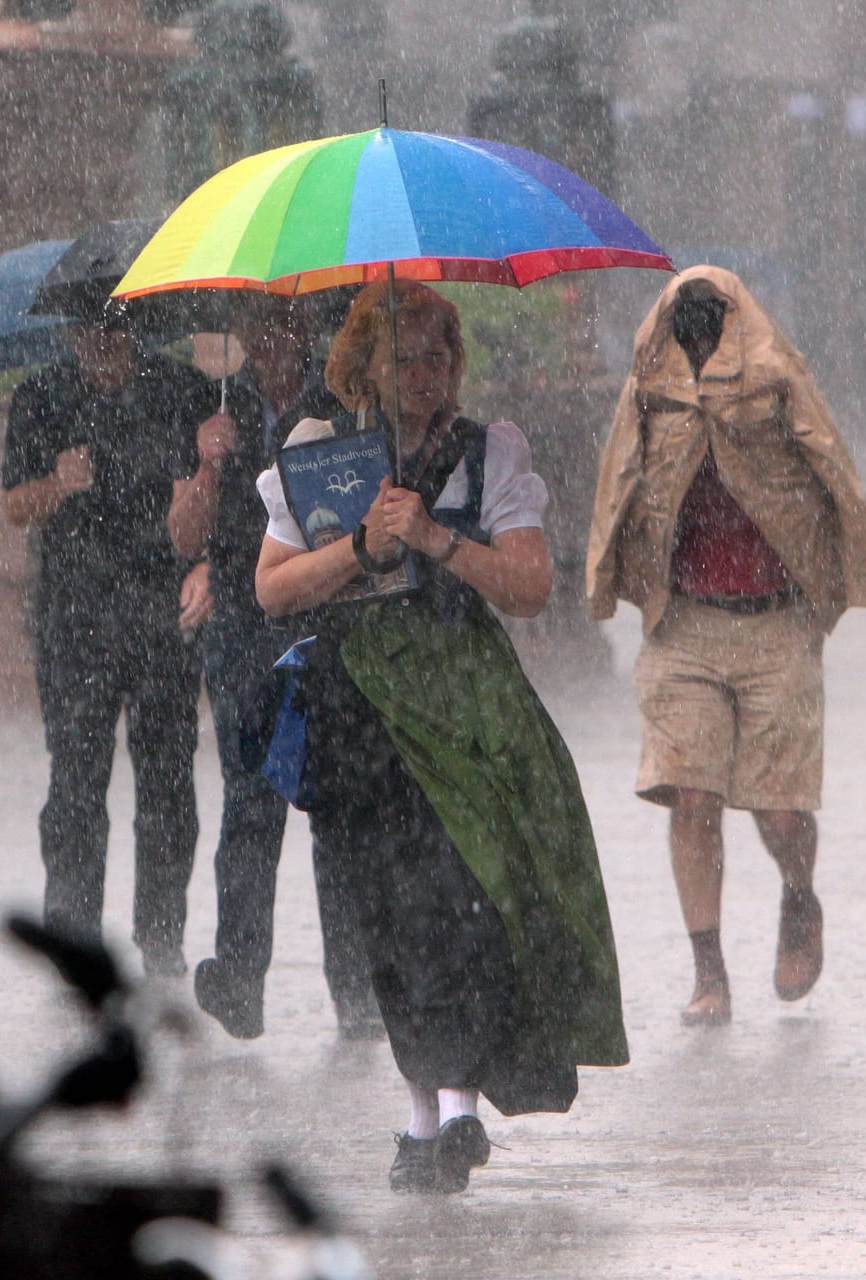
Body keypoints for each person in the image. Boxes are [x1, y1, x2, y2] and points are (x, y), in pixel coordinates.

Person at [253, 279, 628, 1194]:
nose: (425, 375)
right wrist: (363, 551)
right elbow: (272, 590)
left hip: (465, 710)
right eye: (404, 357)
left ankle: (457, 1104)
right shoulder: (317, 456)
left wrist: (429, 536)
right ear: (364, 367)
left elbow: (532, 584)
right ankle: (425, 1112)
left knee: (463, 894)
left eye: (438, 357)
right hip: (358, 714)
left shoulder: (488, 451)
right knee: (383, 909)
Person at [587, 266, 866, 1027]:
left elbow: (834, 472)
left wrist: (846, 579)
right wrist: (604, 582)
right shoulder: (650, 391)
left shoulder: (778, 380)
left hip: (777, 623)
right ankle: (709, 970)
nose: (697, 338)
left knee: (780, 811)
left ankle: (798, 898)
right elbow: (618, 477)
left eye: (711, 321)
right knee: (691, 795)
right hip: (683, 624)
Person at [166, 292, 381, 1041]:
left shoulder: (344, 405)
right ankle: (241, 976)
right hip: (241, 631)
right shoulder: (215, 410)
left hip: (323, 623)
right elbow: (183, 533)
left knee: (334, 803)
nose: (269, 336)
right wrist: (205, 464)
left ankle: (355, 993)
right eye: (255, 322)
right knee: (248, 803)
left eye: (282, 320)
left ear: (305, 325)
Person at [0, 304, 217, 977]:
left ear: (137, 329)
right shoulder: (39, 396)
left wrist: (205, 560)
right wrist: (56, 485)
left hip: (164, 609)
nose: (102, 344)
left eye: (114, 330)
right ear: (69, 332)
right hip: (75, 614)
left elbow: (217, 494)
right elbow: (13, 506)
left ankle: (162, 938)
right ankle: (74, 940)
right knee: (74, 784)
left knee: (167, 782)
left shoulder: (185, 392)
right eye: (88, 331)